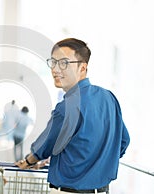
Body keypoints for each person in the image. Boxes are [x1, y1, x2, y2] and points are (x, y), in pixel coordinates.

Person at [16, 38, 130, 194]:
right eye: (53, 62)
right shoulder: (109, 98)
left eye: (64, 63)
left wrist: (27, 161)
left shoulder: (67, 107)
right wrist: (99, 163)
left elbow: (45, 146)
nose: (55, 69)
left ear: (82, 68)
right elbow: (124, 141)